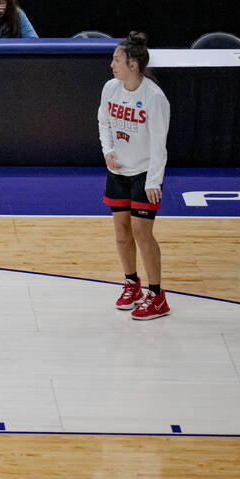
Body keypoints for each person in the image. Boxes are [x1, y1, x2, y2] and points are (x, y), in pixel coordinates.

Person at [97, 31, 171, 320]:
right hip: (118, 172)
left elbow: (159, 144)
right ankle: (132, 284)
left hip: (144, 173)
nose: (111, 64)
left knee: (142, 233)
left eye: (116, 59)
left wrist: (153, 180)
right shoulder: (110, 88)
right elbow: (103, 120)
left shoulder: (154, 97)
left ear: (133, 65)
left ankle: (157, 295)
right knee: (121, 234)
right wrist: (108, 151)